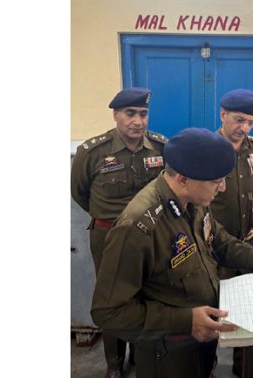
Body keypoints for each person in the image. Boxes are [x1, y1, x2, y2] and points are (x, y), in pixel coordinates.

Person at [90, 128, 253, 378]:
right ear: (183, 178)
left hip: (202, 340)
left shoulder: (193, 202)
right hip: (168, 355)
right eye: (217, 181)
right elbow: (108, 312)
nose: (223, 188)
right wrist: (185, 321)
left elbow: (220, 242)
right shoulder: (138, 228)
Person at [71, 87, 167, 378]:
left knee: (147, 294)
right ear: (116, 115)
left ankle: (140, 357)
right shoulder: (93, 151)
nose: (138, 121)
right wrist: (110, 219)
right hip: (108, 235)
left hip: (151, 234)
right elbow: (79, 192)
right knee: (113, 299)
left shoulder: (161, 148)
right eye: (130, 113)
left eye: (143, 114)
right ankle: (114, 364)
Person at [209, 88, 253, 376]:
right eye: (238, 120)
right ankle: (206, 366)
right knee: (210, 311)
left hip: (248, 244)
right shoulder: (206, 148)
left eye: (250, 123)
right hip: (213, 246)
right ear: (222, 115)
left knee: (247, 312)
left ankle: (243, 368)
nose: (244, 128)